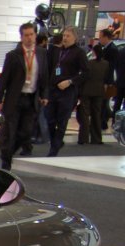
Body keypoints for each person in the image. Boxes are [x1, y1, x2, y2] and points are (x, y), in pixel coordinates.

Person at [0, 22, 49, 170]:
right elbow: (4, 79)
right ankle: (6, 161)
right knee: (10, 132)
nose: (29, 38)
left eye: (31, 34)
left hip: (31, 99)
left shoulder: (42, 54)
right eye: (26, 35)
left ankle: (8, 153)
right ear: (21, 37)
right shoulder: (13, 56)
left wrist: (44, 95)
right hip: (15, 100)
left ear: (35, 35)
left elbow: (44, 76)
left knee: (26, 132)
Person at [45, 25, 87, 156]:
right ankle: (55, 142)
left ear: (75, 38)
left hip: (67, 91)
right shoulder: (57, 51)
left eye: (68, 36)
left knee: (62, 121)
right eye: (64, 35)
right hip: (53, 89)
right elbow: (51, 68)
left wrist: (70, 82)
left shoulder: (79, 53)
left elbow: (85, 73)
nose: (65, 38)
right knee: (49, 119)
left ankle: (54, 149)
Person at [77, 44, 109, 144]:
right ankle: (97, 138)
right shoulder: (106, 64)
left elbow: (83, 76)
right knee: (97, 114)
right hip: (99, 91)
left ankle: (84, 138)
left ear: (93, 52)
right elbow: (106, 78)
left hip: (86, 91)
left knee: (85, 115)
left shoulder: (89, 63)